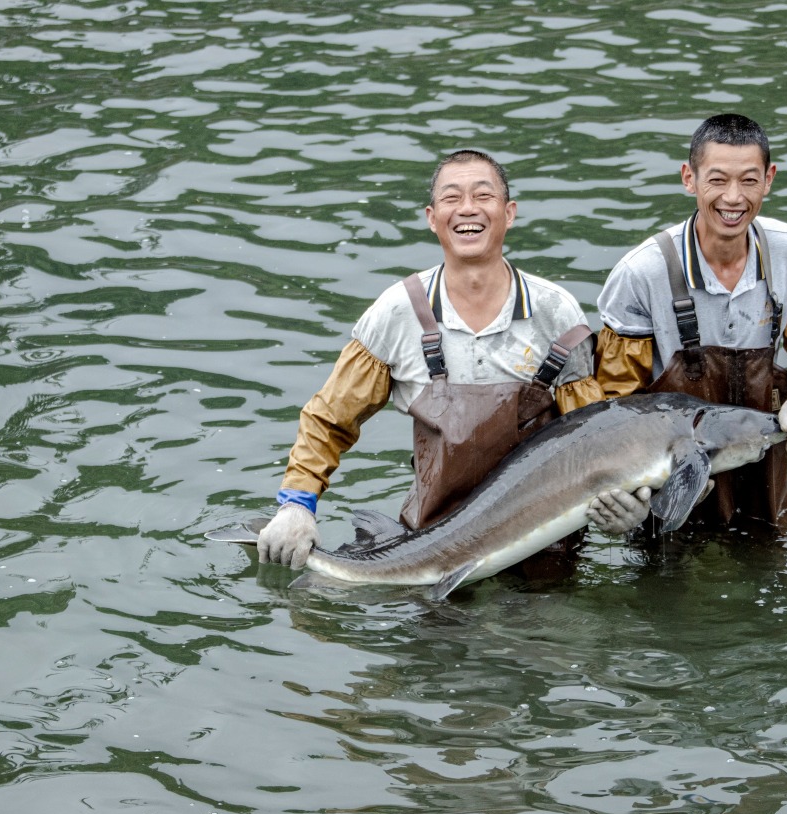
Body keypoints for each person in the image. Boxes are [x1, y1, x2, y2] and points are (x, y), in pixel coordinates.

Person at [259, 149, 650, 569]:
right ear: (431, 217)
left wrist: (626, 510)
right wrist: (296, 506)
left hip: (544, 557)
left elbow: (593, 437)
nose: (467, 209)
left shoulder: (556, 313)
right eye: (451, 198)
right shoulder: (396, 312)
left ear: (509, 212)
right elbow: (329, 419)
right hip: (427, 550)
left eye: (483, 195)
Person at [595, 114, 787, 531]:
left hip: (759, 464)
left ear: (769, 179)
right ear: (689, 178)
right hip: (665, 475)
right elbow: (614, 403)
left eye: (749, 181)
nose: (733, 198)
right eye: (717, 180)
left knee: (767, 575)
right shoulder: (641, 273)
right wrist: (628, 498)